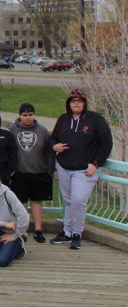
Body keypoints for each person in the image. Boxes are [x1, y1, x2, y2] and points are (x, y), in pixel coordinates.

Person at [49, 88, 113, 249]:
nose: (76, 103)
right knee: (69, 201)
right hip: (64, 167)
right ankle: (67, 232)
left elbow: (107, 144)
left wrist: (96, 163)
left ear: (84, 103)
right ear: (69, 103)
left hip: (85, 169)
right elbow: (53, 138)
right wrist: (54, 146)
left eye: (79, 101)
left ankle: (77, 233)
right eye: (73, 101)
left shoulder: (96, 119)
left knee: (78, 200)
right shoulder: (63, 119)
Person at [7, 102, 54, 243]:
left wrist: (50, 169)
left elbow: (49, 151)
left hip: (39, 172)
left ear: (34, 115)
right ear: (20, 116)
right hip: (19, 172)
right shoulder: (11, 130)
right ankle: (22, 230)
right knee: (21, 204)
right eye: (24, 115)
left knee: (36, 202)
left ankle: (38, 230)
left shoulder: (43, 131)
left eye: (30, 115)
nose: (28, 118)